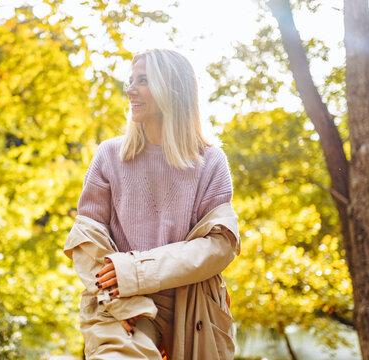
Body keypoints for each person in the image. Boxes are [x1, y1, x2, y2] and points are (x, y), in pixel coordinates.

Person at [64, 49, 241, 360]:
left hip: (194, 305)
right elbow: (87, 242)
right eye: (131, 80)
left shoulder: (211, 161)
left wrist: (136, 271)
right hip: (121, 303)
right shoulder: (109, 155)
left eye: (142, 80)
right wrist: (122, 300)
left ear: (172, 88)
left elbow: (219, 246)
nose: (130, 89)